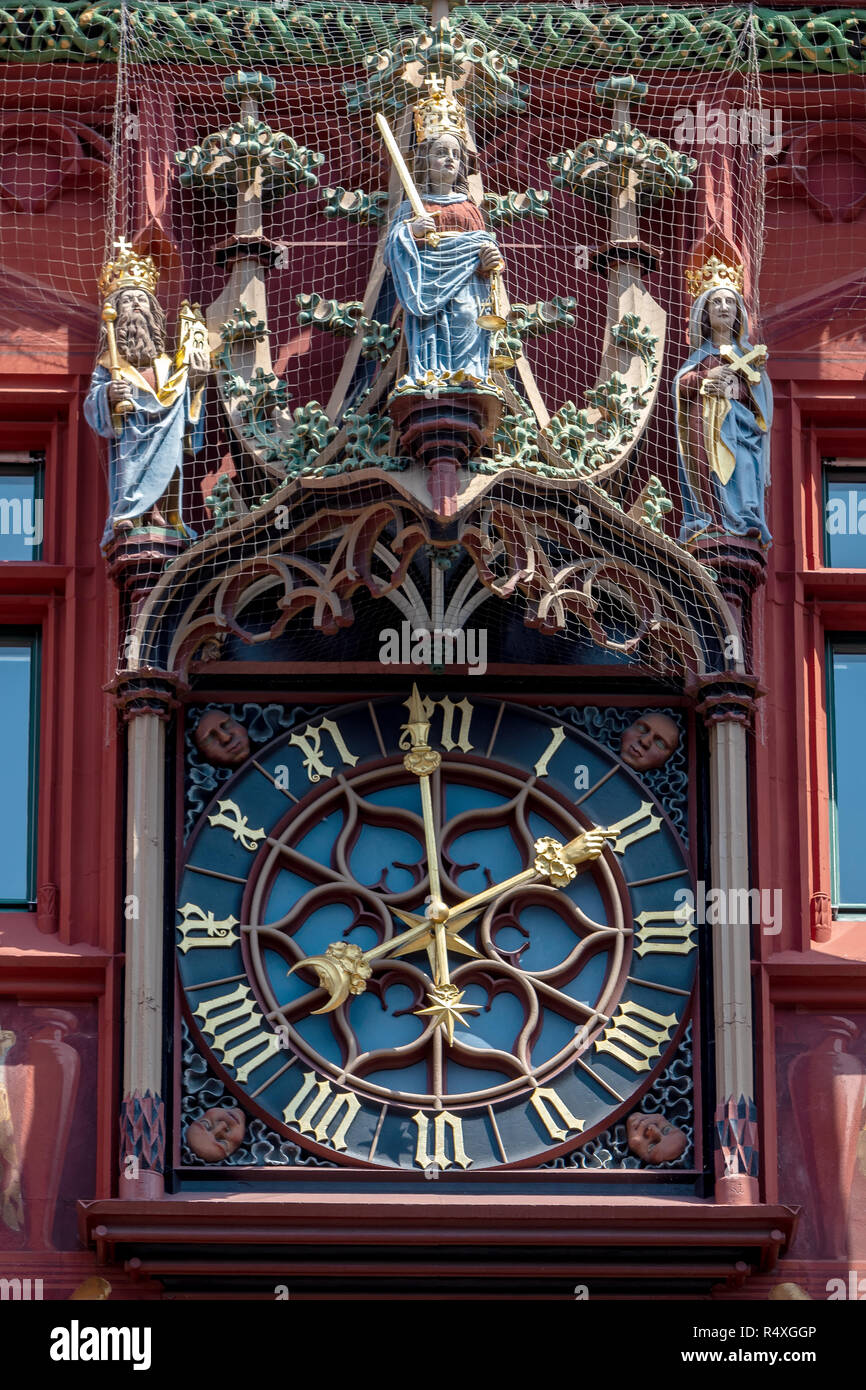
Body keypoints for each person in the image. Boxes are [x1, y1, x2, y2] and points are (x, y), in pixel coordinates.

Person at [84, 243, 208, 552]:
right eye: (127, 301)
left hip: (168, 430)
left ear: (153, 312)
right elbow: (92, 403)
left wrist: (196, 377)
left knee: (168, 464)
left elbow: (184, 396)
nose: (136, 305)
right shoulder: (108, 364)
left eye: (142, 299)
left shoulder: (166, 365)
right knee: (132, 465)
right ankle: (131, 514)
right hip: (131, 436)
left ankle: (163, 514)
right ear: (116, 311)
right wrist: (109, 394)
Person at [384, 99, 502, 392]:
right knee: (430, 329)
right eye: (440, 153)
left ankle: (469, 375)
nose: (450, 159)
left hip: (467, 287)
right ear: (425, 159)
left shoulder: (469, 208)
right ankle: (430, 375)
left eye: (455, 154)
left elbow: (484, 247)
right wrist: (411, 230)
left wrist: (489, 260)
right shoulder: (413, 206)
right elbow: (391, 253)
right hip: (425, 285)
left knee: (465, 318)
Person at [674, 268, 772, 548]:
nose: (723, 307)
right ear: (705, 312)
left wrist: (738, 389)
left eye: (729, 302)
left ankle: (741, 521)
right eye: (716, 302)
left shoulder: (748, 358)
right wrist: (706, 378)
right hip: (705, 428)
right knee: (709, 470)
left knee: (741, 467)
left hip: (740, 429)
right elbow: (680, 386)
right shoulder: (700, 356)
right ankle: (711, 519)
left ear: (738, 311)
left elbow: (759, 402)